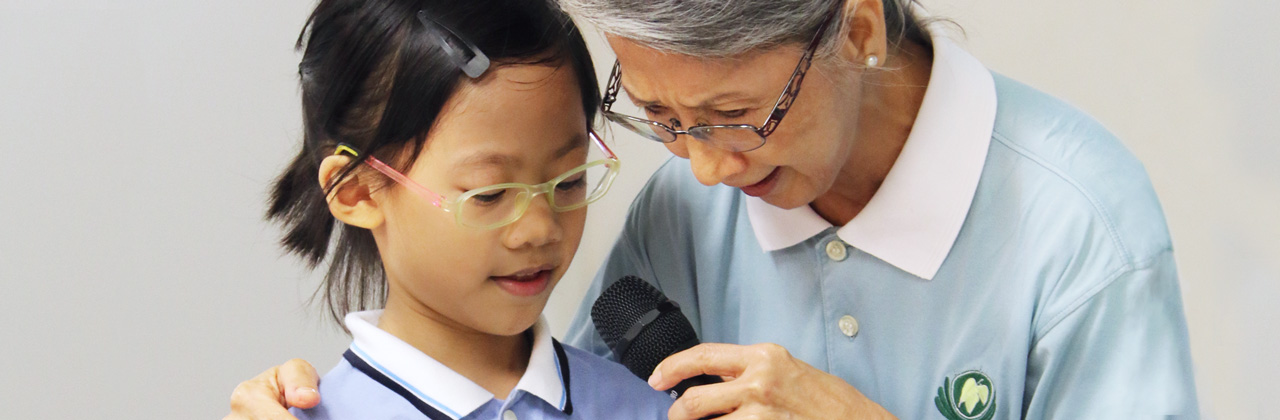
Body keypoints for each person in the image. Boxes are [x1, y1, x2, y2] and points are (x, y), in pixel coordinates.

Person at [229, 0, 1200, 418]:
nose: (698, 172)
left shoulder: (1079, 230)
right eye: (659, 120)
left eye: (735, 117)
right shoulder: (684, 219)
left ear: (855, 26)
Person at [243, 0, 674, 418]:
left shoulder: (648, 407)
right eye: (489, 194)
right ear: (358, 192)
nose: (541, 229)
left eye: (569, 181)